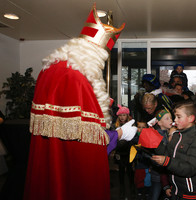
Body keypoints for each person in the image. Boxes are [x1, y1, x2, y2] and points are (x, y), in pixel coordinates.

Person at [23, 4, 137, 200]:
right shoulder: (77, 78)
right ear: (94, 55)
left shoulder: (50, 70)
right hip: (75, 178)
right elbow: (87, 149)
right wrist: (119, 133)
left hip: (49, 166)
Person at [151, 100, 196, 200]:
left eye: (179, 117)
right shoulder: (176, 136)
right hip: (176, 189)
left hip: (190, 194)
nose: (175, 120)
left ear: (191, 118)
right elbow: (167, 153)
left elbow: (190, 168)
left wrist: (167, 161)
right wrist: (155, 141)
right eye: (175, 117)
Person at [150, 108, 173, 200]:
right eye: (167, 119)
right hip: (158, 173)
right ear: (159, 123)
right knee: (155, 195)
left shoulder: (169, 132)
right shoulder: (157, 135)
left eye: (171, 118)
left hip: (166, 174)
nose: (171, 120)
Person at [113, 105, 135, 199]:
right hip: (120, 153)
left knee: (130, 172)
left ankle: (132, 189)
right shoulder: (116, 125)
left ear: (128, 116)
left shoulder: (131, 125)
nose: (122, 117)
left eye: (124, 115)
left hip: (129, 152)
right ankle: (122, 190)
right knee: (121, 172)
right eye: (120, 115)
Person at [132, 120, 151, 200]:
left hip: (147, 165)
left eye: (144, 127)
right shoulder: (134, 138)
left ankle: (147, 193)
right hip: (139, 164)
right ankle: (139, 193)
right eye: (139, 127)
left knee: (147, 181)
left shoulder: (149, 138)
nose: (141, 129)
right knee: (139, 180)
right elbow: (133, 152)